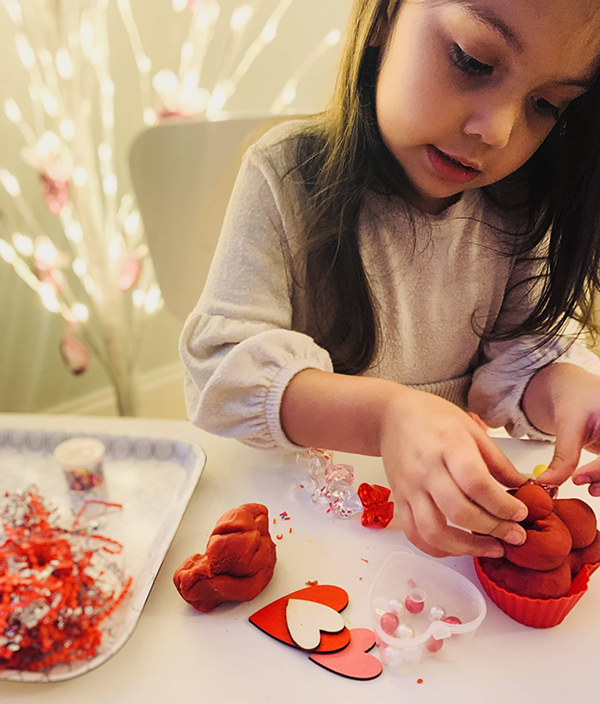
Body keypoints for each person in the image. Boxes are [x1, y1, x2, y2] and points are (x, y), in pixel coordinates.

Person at [180, 0, 600, 559]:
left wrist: (570, 390)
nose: (498, 131)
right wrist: (386, 419)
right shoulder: (285, 173)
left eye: (546, 104)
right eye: (473, 60)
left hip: (444, 534)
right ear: (383, 17)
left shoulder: (520, 204)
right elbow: (221, 376)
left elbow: (521, 360)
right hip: (303, 524)